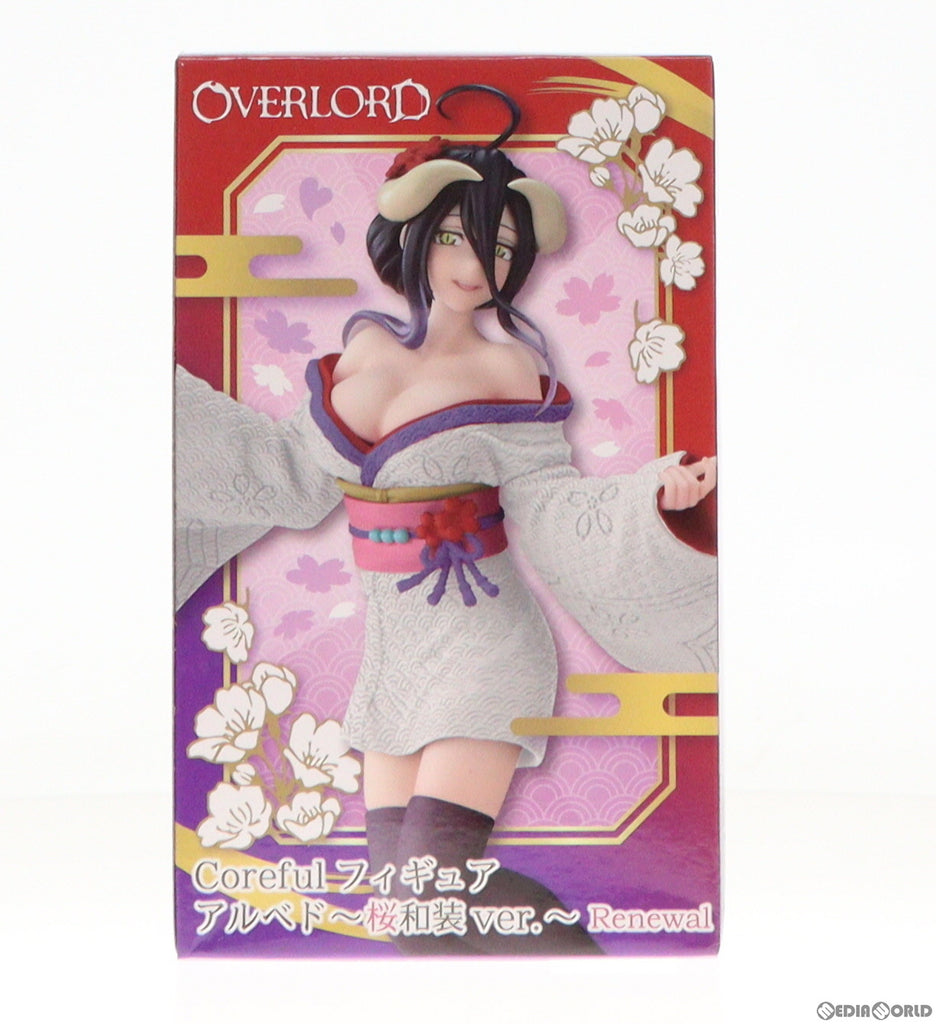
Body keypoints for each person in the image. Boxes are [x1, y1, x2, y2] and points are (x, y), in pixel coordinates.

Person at [174, 86, 717, 954]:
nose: (476, 264)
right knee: (405, 915)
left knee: (434, 885)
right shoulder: (364, 349)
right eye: (458, 236)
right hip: (394, 654)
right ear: (418, 233)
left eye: (500, 246)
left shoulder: (510, 368)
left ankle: (598, 969)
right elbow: (291, 478)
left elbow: (554, 506)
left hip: (484, 645)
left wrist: (653, 498)